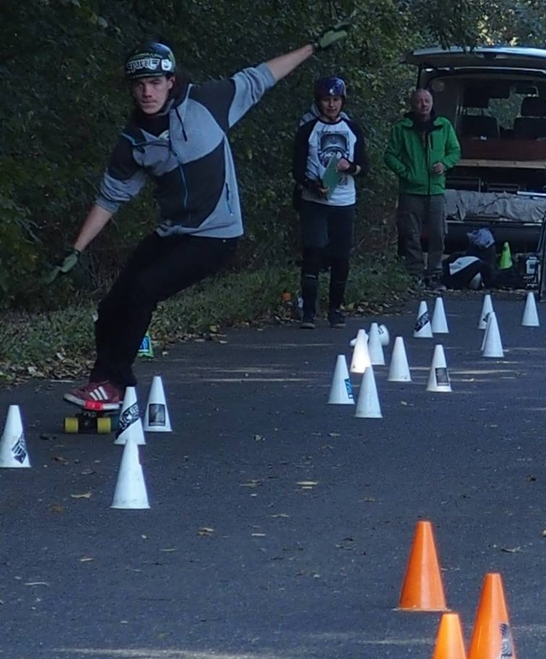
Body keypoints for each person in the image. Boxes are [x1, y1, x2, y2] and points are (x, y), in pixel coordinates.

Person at [45, 25, 349, 410]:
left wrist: (313, 47)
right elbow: (109, 200)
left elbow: (261, 77)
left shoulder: (208, 103)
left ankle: (114, 383)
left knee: (143, 291)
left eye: (155, 82)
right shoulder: (133, 141)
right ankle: (103, 384)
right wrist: (76, 249)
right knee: (112, 304)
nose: (147, 92)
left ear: (171, 81)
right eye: (139, 84)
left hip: (216, 236)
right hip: (174, 232)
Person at [292, 76, 368, 329]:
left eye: (336, 100)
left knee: (340, 256)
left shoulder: (353, 129)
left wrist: (351, 167)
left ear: (342, 101)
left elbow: (364, 167)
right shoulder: (307, 129)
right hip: (314, 201)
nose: (331, 105)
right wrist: (314, 185)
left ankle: (336, 309)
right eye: (327, 100)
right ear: (319, 102)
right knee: (313, 249)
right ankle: (309, 312)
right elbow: (296, 168)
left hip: (344, 201)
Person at [384, 87, 461, 288]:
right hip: (411, 191)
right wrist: (406, 173)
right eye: (419, 101)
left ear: (432, 103)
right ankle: (415, 273)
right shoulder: (402, 128)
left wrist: (444, 163)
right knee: (410, 234)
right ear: (412, 104)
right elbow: (389, 155)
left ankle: (435, 273)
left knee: (438, 233)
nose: (423, 105)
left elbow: (455, 151)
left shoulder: (443, 126)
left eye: (427, 101)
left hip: (435, 190)